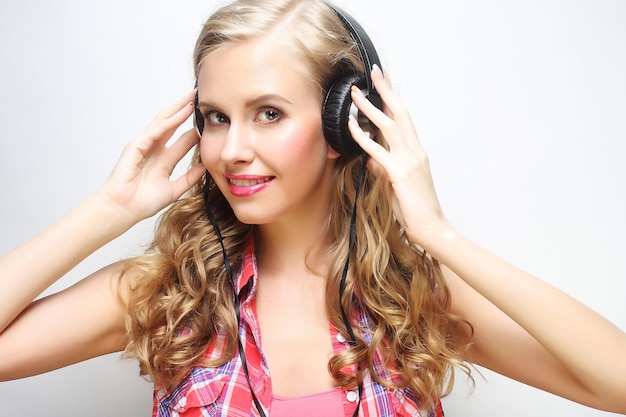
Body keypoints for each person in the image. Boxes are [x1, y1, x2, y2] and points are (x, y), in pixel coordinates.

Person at [0, 0, 625, 416]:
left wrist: (438, 235)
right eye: (217, 118)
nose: (233, 149)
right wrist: (110, 208)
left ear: (341, 126)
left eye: (268, 113)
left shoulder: (416, 296)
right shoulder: (165, 294)